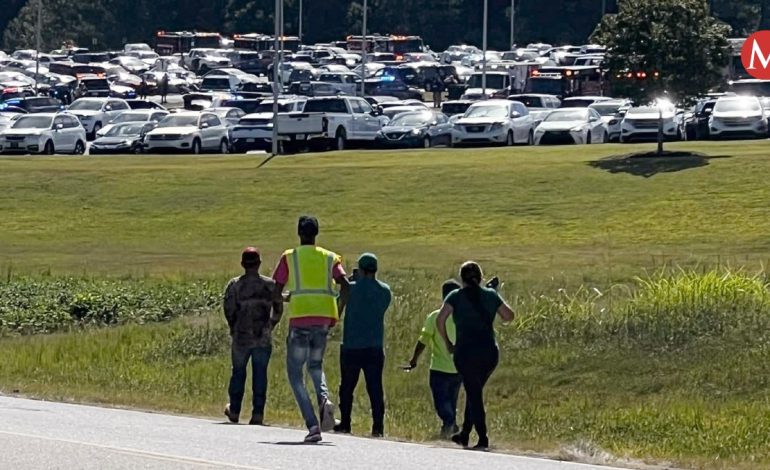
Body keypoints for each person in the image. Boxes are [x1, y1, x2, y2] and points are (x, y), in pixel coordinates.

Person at [273, 215, 350, 443]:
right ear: (316, 234)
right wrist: (338, 309)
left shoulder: (290, 257)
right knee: (316, 365)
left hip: (300, 320)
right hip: (324, 318)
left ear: (299, 233)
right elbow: (345, 285)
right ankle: (324, 399)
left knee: (296, 375)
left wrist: (289, 298)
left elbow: (276, 290)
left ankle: (313, 424)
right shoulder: (329, 258)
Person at [436, 262, 514, 451]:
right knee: (474, 391)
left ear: (462, 279)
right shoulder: (490, 295)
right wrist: (494, 295)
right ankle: (464, 434)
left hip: (466, 352)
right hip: (489, 352)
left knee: (474, 393)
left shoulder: (455, 296)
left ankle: (482, 437)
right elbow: (508, 316)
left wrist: (448, 343)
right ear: (480, 277)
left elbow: (440, 320)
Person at [222, 247, 283, 425]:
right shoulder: (270, 285)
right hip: (262, 337)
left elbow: (228, 310)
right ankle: (258, 413)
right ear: (259, 264)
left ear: (242, 264)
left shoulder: (234, 285)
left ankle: (234, 410)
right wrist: (270, 325)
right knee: (260, 374)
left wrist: (234, 326)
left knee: (238, 373)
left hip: (241, 337)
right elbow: (278, 308)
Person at [334, 253, 392, 437]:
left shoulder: (350, 289)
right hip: (374, 345)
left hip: (352, 345)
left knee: (347, 388)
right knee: (375, 388)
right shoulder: (385, 291)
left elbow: (337, 309)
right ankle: (378, 427)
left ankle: (345, 423)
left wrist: (351, 284)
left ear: (360, 269)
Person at [406, 279, 463, 439]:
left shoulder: (435, 317)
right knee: (451, 400)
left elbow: (423, 340)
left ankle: (450, 422)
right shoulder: (463, 318)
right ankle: (450, 426)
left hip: (439, 368)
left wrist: (414, 359)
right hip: (458, 368)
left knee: (441, 401)